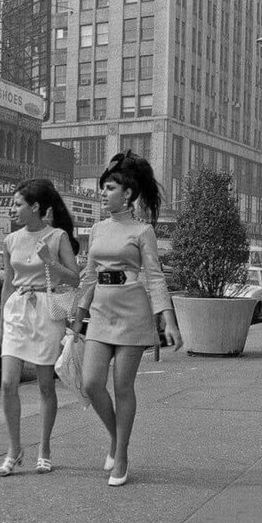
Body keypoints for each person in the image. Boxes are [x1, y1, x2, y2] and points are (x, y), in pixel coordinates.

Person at [72, 151, 183, 487]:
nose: (103, 194)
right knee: (91, 383)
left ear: (128, 194)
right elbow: (89, 276)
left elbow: (154, 277)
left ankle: (121, 455)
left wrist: (169, 320)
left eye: (109, 188)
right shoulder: (96, 229)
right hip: (101, 312)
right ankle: (115, 438)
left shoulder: (143, 231)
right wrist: (77, 315)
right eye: (102, 188)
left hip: (133, 312)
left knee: (122, 387)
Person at [0, 178, 80, 476]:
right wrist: (0, 325)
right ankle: (14, 450)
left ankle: (44, 448)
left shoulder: (57, 237)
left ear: (34, 207)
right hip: (16, 311)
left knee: (45, 384)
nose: (13, 208)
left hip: (46, 311)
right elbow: (7, 284)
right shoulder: (10, 240)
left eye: (18, 204)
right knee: (8, 383)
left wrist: (49, 262)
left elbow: (75, 278)